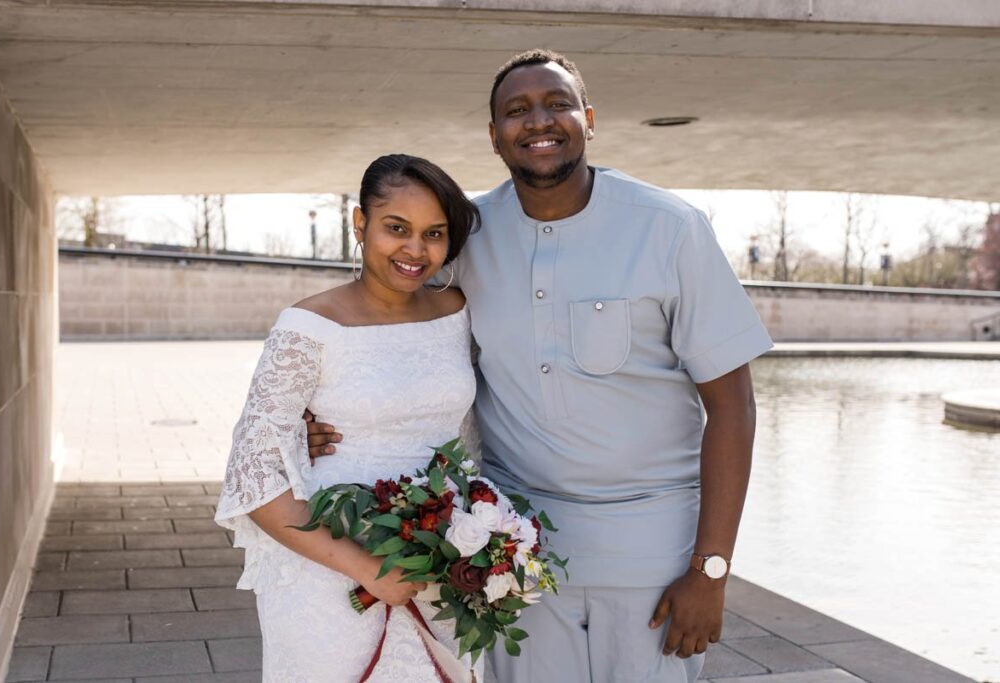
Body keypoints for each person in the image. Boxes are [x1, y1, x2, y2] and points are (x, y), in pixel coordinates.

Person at [306, 50, 774, 683]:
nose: (538, 121)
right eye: (516, 110)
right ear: (494, 135)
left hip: (650, 548)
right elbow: (387, 311)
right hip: (512, 544)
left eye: (557, 103)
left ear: (588, 118)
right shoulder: (467, 234)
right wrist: (323, 412)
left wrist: (710, 569)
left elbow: (733, 406)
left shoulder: (671, 229)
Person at [215, 154, 483, 682]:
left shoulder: (458, 311)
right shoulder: (307, 327)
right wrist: (369, 570)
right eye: (396, 228)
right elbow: (252, 480)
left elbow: (470, 443)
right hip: (332, 575)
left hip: (442, 566)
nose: (415, 249)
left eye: (434, 233)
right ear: (359, 225)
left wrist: (488, 538)